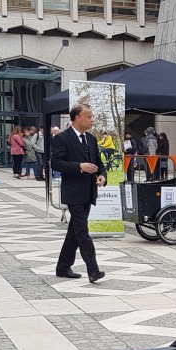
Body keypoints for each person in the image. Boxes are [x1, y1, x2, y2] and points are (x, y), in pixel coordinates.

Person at [53, 103, 108, 283]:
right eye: (89, 116)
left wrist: (102, 176)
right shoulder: (63, 138)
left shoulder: (91, 139)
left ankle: (63, 267)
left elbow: (100, 164)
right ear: (77, 118)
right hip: (73, 193)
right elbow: (56, 163)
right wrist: (79, 167)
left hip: (89, 192)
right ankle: (93, 270)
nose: (92, 120)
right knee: (82, 231)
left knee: (74, 232)